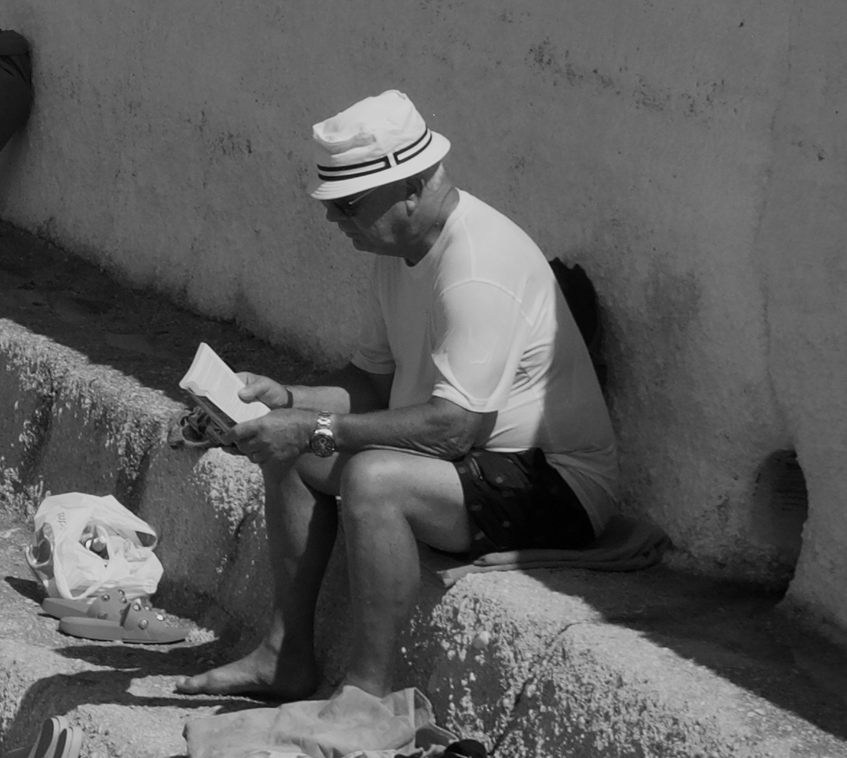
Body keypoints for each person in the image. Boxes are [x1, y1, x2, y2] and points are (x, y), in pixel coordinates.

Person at [175, 91, 622, 704]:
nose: (336, 221)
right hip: (472, 466)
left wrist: (316, 427)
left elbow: (454, 430)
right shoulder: (399, 251)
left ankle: (367, 698)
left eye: (350, 205)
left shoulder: (476, 269)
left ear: (411, 188)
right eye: (333, 206)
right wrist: (288, 399)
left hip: (557, 485)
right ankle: (286, 658)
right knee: (293, 449)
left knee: (373, 478)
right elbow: (371, 383)